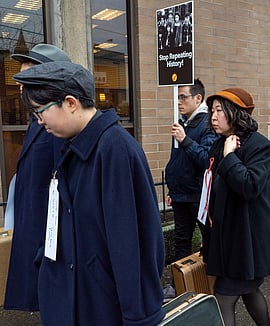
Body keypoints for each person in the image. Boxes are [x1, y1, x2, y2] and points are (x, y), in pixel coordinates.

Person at [12, 61, 166, 325]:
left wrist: (138, 316)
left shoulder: (115, 150)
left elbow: (135, 244)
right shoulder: (68, 145)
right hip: (72, 298)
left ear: (71, 103)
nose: (39, 122)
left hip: (100, 306)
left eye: (41, 112)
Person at [4, 44, 71, 312]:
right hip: (32, 230)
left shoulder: (56, 126)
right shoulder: (36, 121)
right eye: (19, 80)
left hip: (47, 238)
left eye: (27, 79)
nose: (20, 86)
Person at [204, 88, 270, 326]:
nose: (213, 117)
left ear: (236, 113)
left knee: (223, 298)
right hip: (226, 237)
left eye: (219, 111)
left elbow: (249, 186)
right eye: (211, 111)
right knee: (249, 291)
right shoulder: (219, 143)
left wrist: (230, 156)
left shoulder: (259, 146)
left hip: (246, 240)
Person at [165, 78, 217, 262]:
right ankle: (180, 284)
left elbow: (207, 160)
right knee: (181, 241)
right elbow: (177, 160)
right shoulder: (183, 122)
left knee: (210, 239)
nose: (178, 102)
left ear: (198, 98)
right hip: (181, 194)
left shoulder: (208, 124)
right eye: (177, 98)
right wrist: (173, 188)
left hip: (198, 195)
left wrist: (185, 140)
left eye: (183, 97)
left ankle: (214, 283)